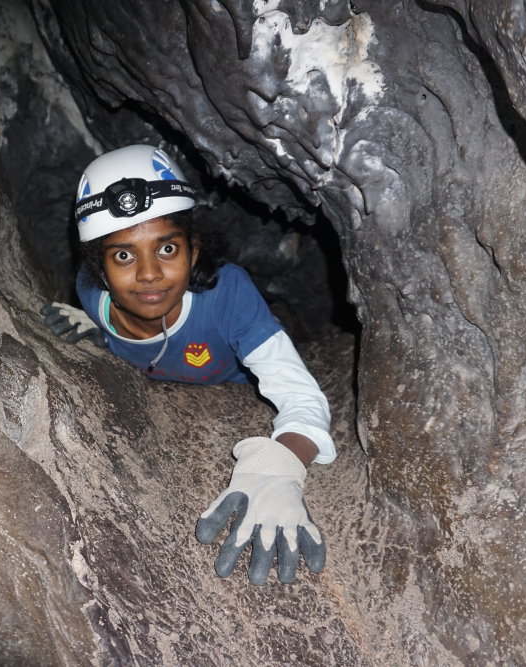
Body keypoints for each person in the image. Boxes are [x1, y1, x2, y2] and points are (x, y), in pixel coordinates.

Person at [41, 144, 335, 585]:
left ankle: (288, 313)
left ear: (194, 251)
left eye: (167, 249)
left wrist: (281, 467)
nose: (148, 275)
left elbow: (302, 396)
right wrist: (101, 332)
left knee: (284, 325)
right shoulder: (90, 294)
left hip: (241, 351)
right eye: (123, 255)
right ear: (99, 271)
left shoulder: (226, 293)